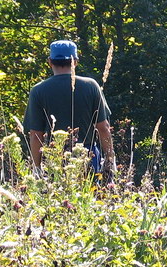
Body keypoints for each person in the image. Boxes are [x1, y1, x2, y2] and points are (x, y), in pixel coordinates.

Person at [23, 40, 115, 181]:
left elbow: (36, 134)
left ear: (49, 62)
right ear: (76, 61)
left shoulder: (38, 90)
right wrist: (110, 160)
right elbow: (103, 128)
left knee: (59, 201)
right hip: (88, 155)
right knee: (91, 199)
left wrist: (37, 168)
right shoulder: (91, 86)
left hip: (55, 159)